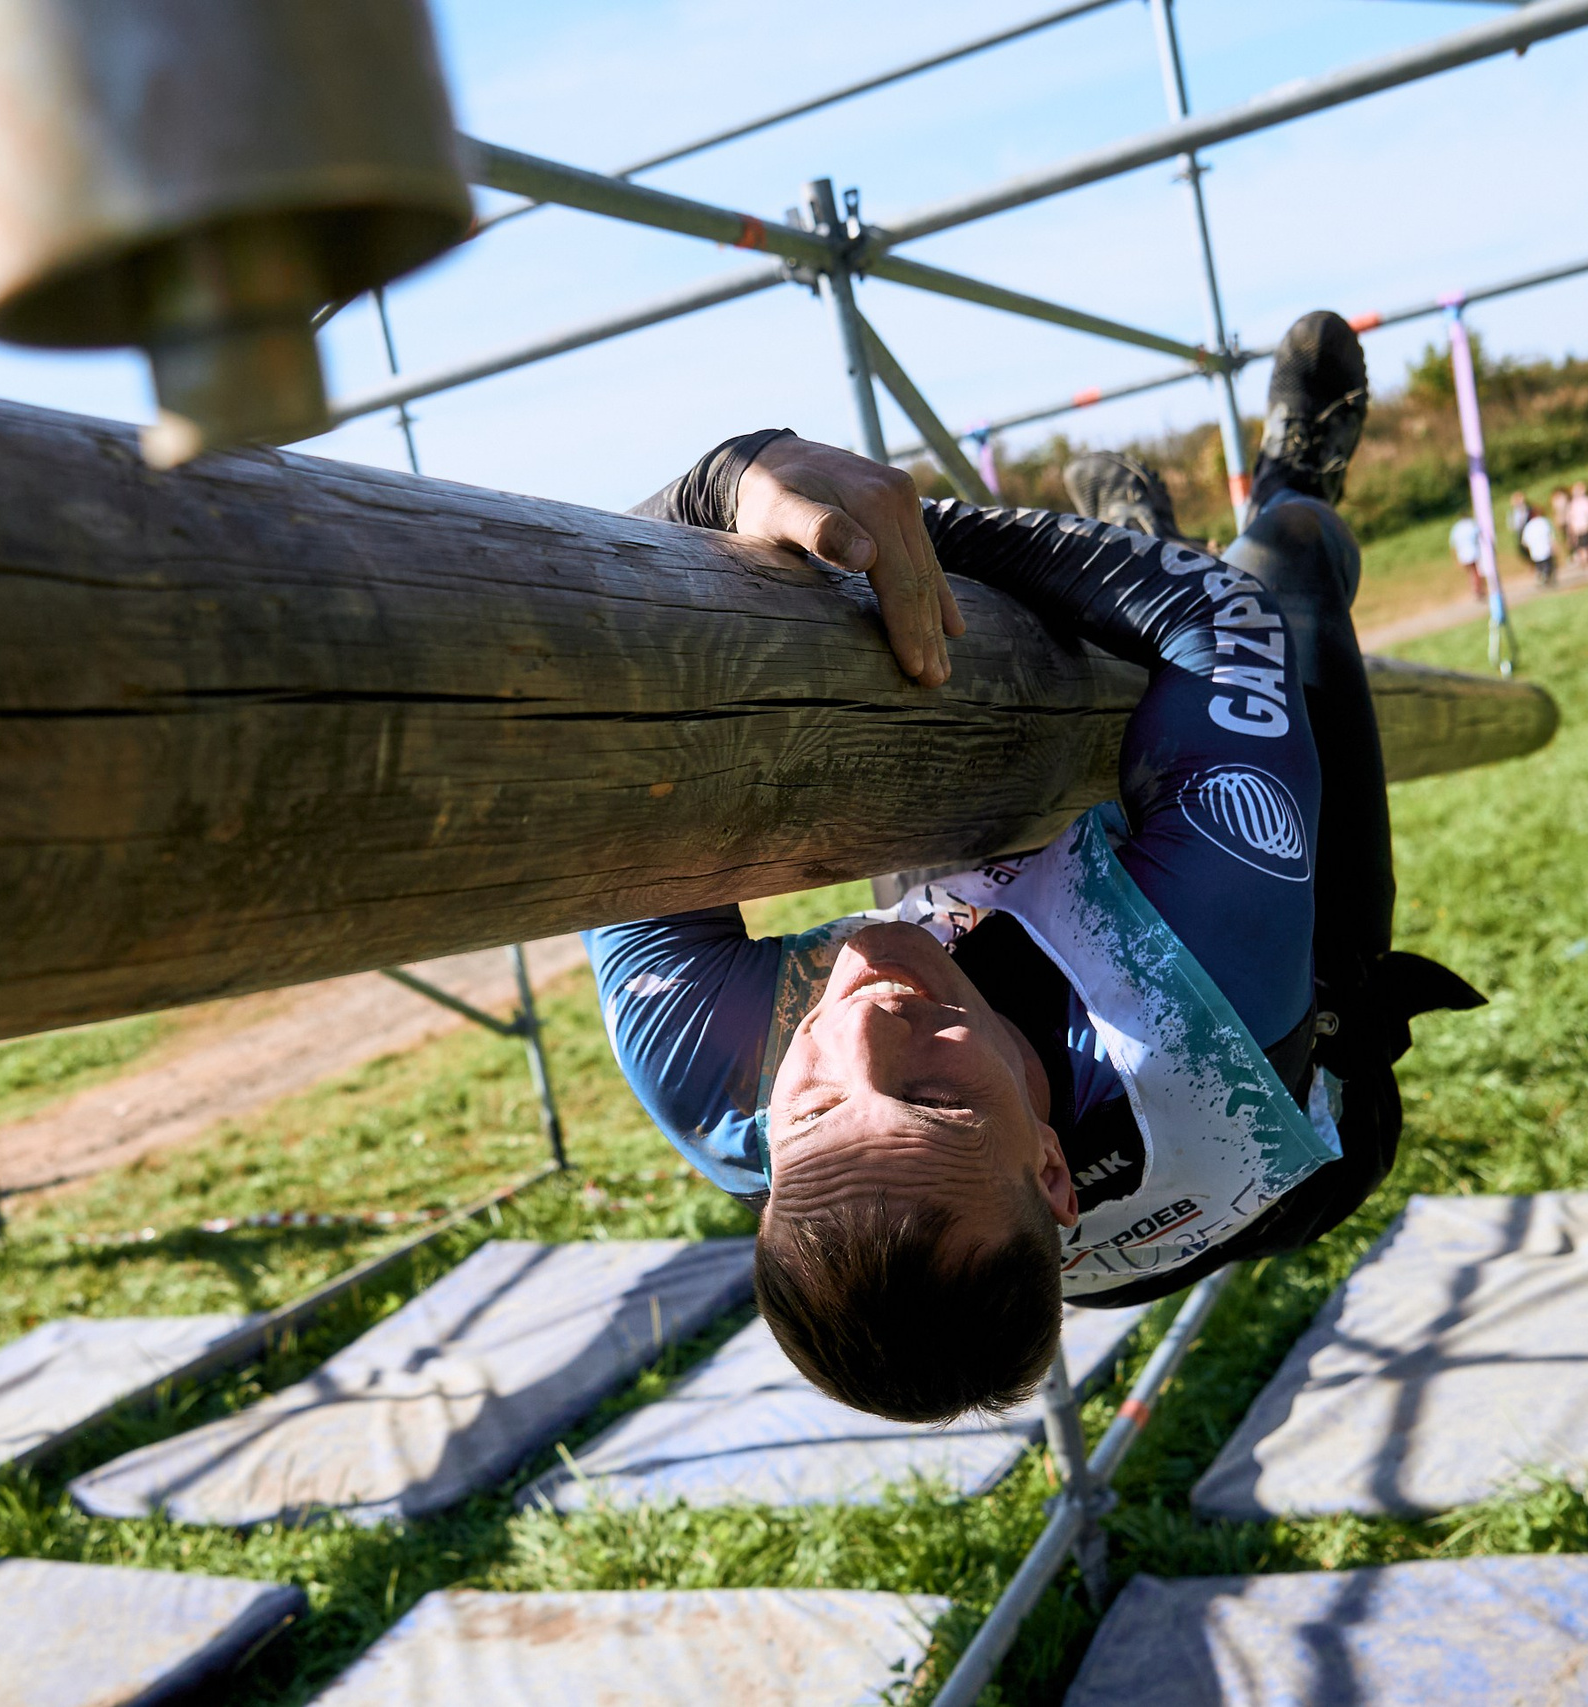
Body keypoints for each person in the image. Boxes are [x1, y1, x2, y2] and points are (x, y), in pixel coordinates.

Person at [586, 312, 1481, 1424]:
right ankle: (1291, 482)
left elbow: (602, 703)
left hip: (1043, 1188)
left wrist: (736, 487)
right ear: (1051, 1173)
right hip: (1297, 1113)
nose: (861, 1023)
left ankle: (1136, 543)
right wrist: (916, 538)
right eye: (933, 1099)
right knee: (1282, 561)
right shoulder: (1195, 993)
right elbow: (1217, 616)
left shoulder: (717, 1083)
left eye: (811, 1111)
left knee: (932, 746)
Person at [1521, 504, 1557, 588]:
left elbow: (1524, 541)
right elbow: (1550, 535)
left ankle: (1543, 579)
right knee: (1548, 567)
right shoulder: (1544, 522)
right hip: (1546, 550)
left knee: (1540, 567)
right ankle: (1547, 580)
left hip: (1535, 552)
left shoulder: (1528, 526)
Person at [1449, 512, 1483, 592]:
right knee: (1475, 571)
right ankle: (1478, 588)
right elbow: (1479, 534)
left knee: (1470, 572)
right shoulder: (1471, 524)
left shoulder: (1456, 527)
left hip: (1462, 554)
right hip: (1473, 551)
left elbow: (1453, 544)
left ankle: (1475, 588)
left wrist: (1455, 558)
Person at [1506, 491, 1533, 563]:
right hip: (1520, 532)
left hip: (1528, 530)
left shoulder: (1528, 509)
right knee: (1523, 550)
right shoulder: (1512, 512)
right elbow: (1512, 526)